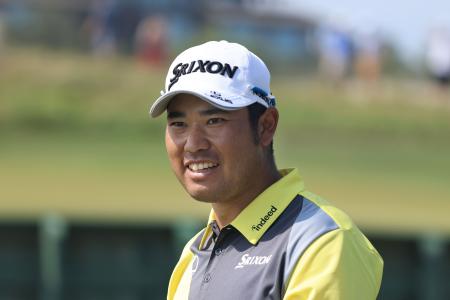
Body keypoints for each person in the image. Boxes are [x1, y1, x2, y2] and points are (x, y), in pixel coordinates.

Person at [149, 40, 383, 300]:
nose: (193, 144)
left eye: (214, 121)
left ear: (265, 126)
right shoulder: (192, 255)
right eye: (179, 124)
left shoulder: (323, 241)